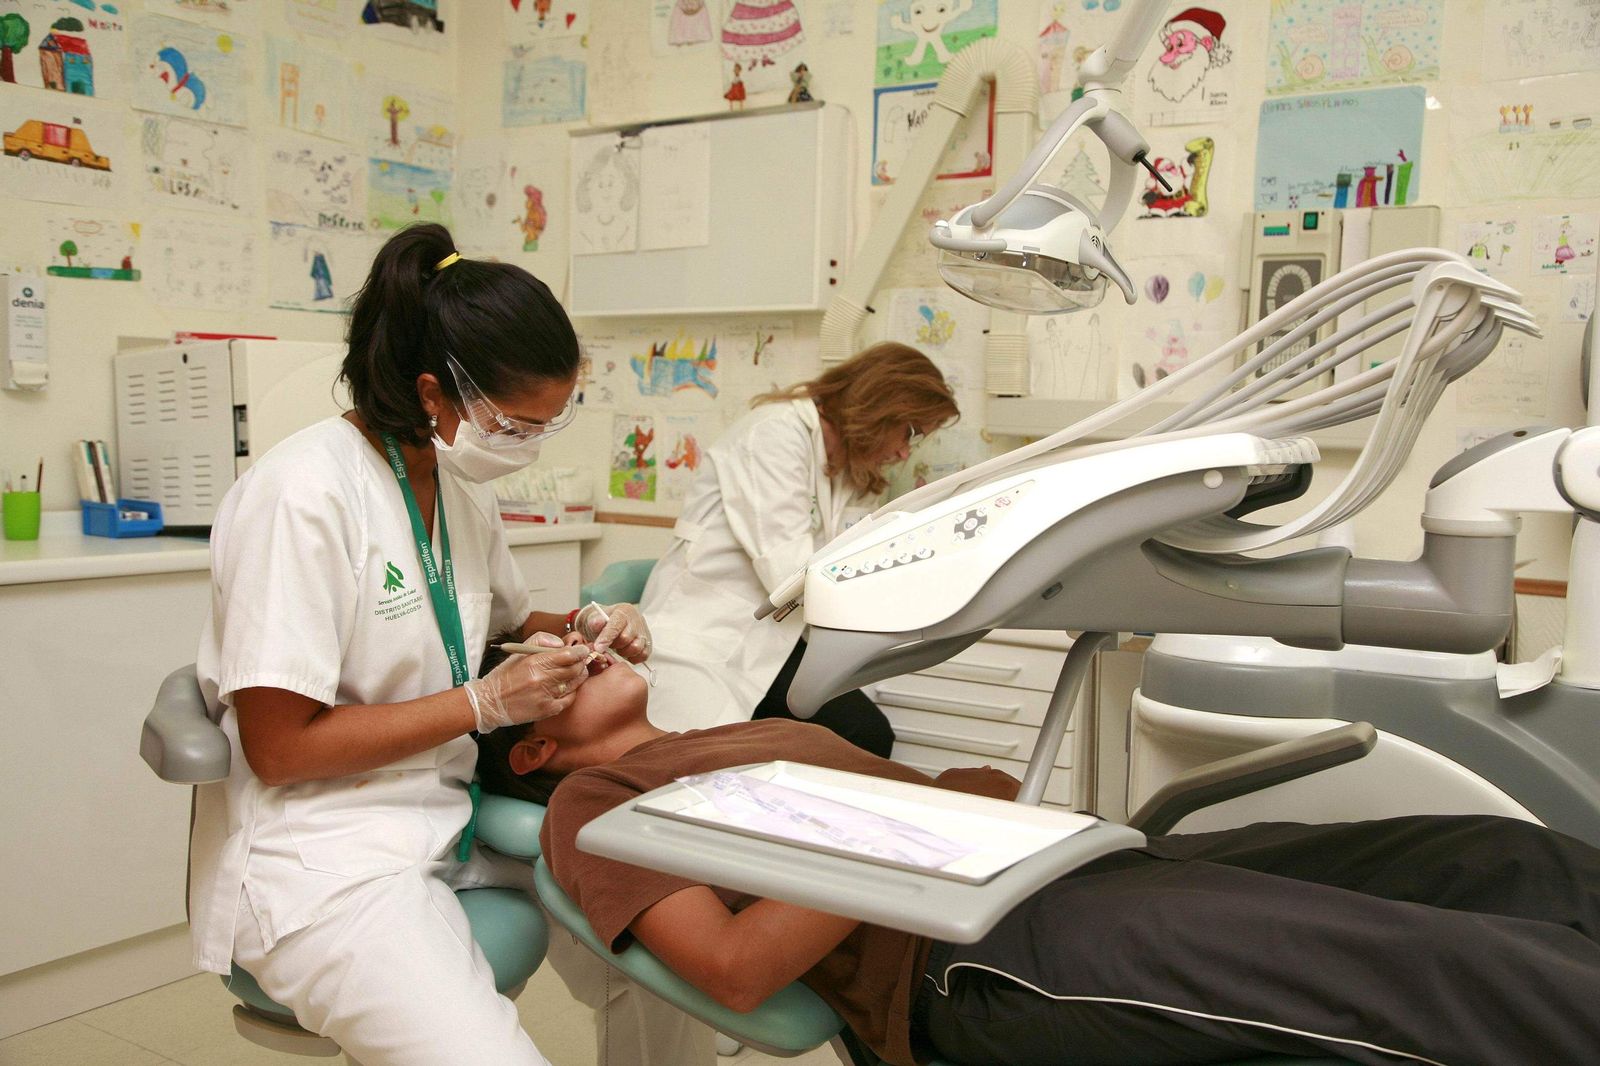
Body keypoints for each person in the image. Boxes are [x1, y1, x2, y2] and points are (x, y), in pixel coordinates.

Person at [476, 651, 1600, 1066]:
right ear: (531, 744)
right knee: (1435, 967)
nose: (573, 644)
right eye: (542, 658)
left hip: (1071, 864)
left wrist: (946, 806)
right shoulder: (591, 803)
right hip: (970, 957)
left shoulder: (721, 732)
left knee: (1494, 858)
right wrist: (927, 827)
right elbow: (732, 972)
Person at [189, 222, 658, 1066]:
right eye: (514, 424)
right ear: (433, 392)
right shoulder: (302, 497)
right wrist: (481, 704)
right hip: (329, 857)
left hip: (452, 818)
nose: (526, 446)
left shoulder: (456, 483)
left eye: (547, 423)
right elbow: (280, 750)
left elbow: (498, 626)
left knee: (655, 949)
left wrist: (590, 622)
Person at [636, 342, 959, 757]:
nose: (903, 453)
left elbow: (857, 558)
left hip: (777, 638)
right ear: (880, 406)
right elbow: (790, 572)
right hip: (714, 634)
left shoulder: (850, 467)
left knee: (863, 734)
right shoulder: (773, 434)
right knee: (860, 735)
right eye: (910, 432)